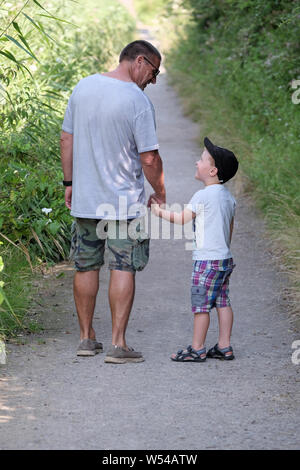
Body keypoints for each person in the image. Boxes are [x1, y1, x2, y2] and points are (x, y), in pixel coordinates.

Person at [60, 40, 166, 363]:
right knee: (122, 265)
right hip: (123, 204)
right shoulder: (137, 101)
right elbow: (149, 158)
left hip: (86, 198)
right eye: (154, 71)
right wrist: (160, 192)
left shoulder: (82, 88)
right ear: (139, 61)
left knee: (86, 264)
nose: (154, 80)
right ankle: (118, 344)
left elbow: (66, 138)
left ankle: (86, 338)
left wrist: (69, 182)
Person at [151, 137, 238, 362]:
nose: (196, 163)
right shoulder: (228, 198)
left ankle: (197, 348)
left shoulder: (202, 196)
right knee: (222, 301)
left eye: (201, 160)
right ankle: (224, 345)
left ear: (213, 170)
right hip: (223, 259)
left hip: (207, 262)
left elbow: (181, 219)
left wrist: (159, 211)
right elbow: (229, 229)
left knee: (201, 305)